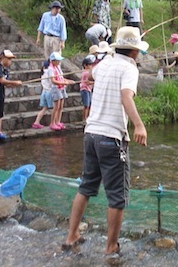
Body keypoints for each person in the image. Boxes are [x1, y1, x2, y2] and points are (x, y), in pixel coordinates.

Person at [64, 27, 148, 261]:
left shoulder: (105, 65)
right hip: (111, 138)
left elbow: (91, 76)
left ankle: (71, 236)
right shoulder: (129, 68)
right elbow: (125, 96)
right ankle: (111, 247)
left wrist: (105, 63)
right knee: (117, 197)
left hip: (90, 134)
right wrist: (139, 125)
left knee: (86, 187)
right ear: (133, 51)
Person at [0, 50, 23, 141]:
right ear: (2, 58)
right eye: (8, 59)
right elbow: (2, 81)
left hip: (0, 95)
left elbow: (6, 84)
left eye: (11, 59)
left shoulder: (6, 71)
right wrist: (15, 82)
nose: (10, 61)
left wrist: (15, 84)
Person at [47, 52, 75, 131]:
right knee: (56, 107)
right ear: (53, 61)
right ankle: (52, 123)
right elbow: (53, 81)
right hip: (55, 88)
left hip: (62, 87)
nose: (59, 62)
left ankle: (58, 121)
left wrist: (68, 81)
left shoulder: (58, 67)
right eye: (57, 60)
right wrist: (64, 83)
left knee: (61, 107)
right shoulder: (50, 69)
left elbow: (61, 78)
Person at [32, 60, 53, 129]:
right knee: (55, 108)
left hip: (44, 92)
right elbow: (52, 82)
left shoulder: (43, 72)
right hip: (49, 92)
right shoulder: (49, 72)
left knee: (44, 109)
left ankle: (36, 122)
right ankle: (53, 123)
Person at [80, 55, 95, 121]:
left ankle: (88, 118)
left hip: (88, 89)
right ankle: (85, 119)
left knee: (89, 105)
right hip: (85, 89)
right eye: (89, 65)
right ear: (85, 65)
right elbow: (87, 82)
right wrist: (95, 82)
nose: (91, 66)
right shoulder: (86, 73)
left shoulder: (88, 72)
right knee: (86, 105)